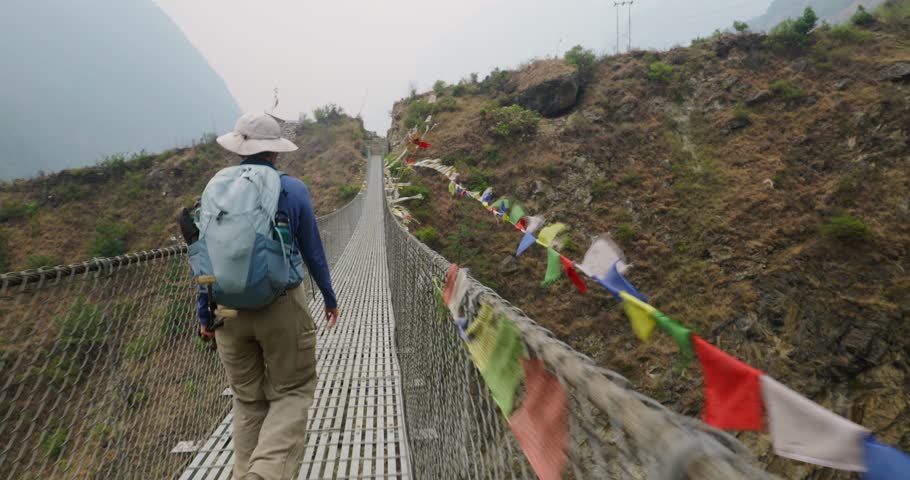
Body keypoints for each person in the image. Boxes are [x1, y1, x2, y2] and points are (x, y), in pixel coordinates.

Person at [198, 112, 340, 480]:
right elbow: (313, 251)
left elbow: (206, 255)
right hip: (280, 305)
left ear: (239, 149)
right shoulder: (292, 189)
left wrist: (205, 314)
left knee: (248, 401)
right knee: (291, 392)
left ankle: (245, 472)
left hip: (226, 310)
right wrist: (329, 297)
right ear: (275, 152)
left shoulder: (216, 188)